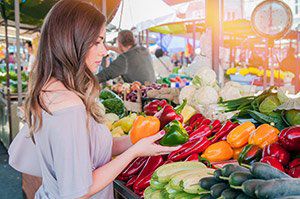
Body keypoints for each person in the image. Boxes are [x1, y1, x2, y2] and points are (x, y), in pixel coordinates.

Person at [8, 1, 179, 198]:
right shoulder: (68, 107)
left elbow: (96, 148)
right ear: (72, 42)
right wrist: (133, 153)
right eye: (97, 42)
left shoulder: (51, 90)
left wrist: (138, 136)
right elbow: (78, 192)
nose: (105, 50)